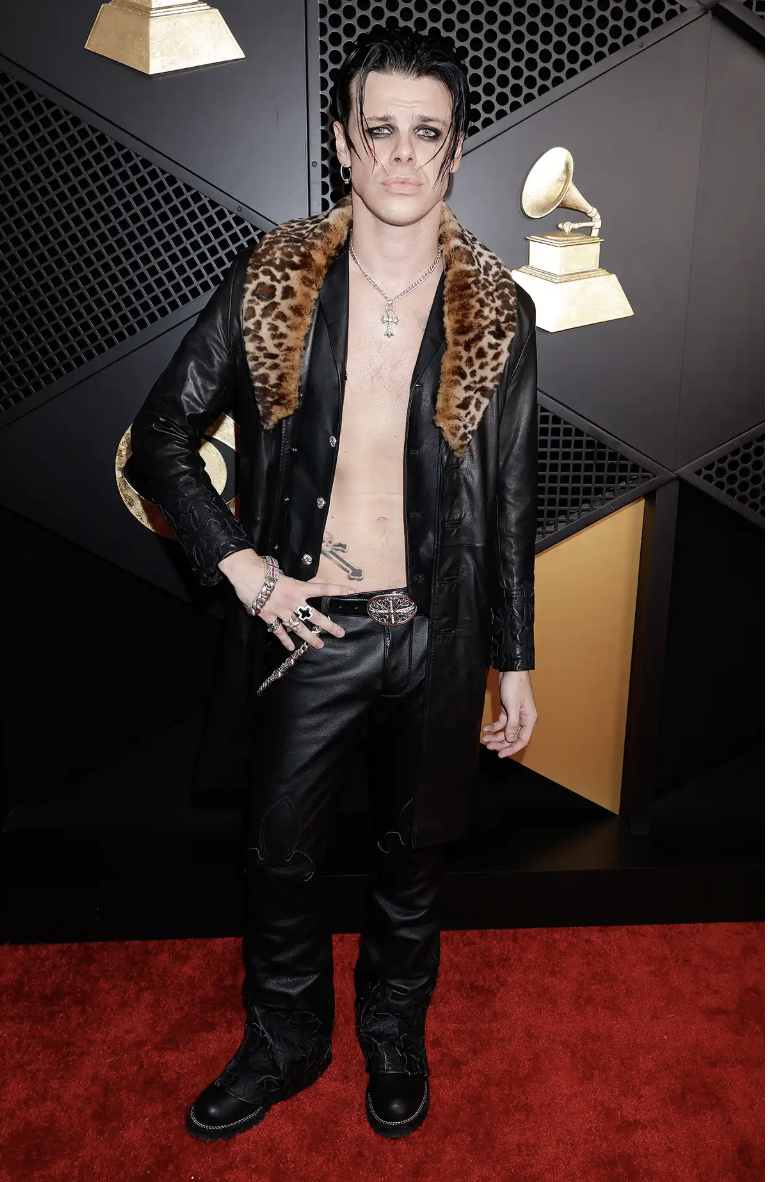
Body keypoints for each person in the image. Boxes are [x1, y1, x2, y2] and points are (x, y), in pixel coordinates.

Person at [125, 23, 539, 1142]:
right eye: (380, 130)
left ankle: (393, 1031)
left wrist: (514, 657)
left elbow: (508, 498)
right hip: (307, 628)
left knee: (417, 862)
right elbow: (160, 438)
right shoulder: (276, 278)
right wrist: (246, 570)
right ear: (345, 145)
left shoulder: (499, 308)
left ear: (455, 152)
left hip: (439, 636)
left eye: (427, 134)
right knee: (279, 859)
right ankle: (288, 1036)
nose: (403, 154)